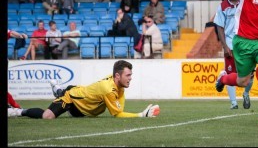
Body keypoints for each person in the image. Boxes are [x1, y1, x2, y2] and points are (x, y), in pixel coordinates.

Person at [8, 60, 160, 119]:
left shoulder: (118, 85)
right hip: (72, 99)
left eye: (131, 75)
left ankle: (58, 90)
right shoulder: (108, 88)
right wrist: (141, 115)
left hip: (81, 109)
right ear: (117, 76)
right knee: (47, 117)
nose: (131, 77)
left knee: (75, 110)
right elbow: (118, 114)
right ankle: (17, 111)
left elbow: (120, 107)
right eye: (128, 75)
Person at [214, 0, 253, 109]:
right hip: (231, 45)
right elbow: (219, 26)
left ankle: (246, 94)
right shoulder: (223, 6)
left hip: (246, 44)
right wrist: (225, 46)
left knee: (250, 74)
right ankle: (234, 103)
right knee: (231, 73)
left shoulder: (245, 1)